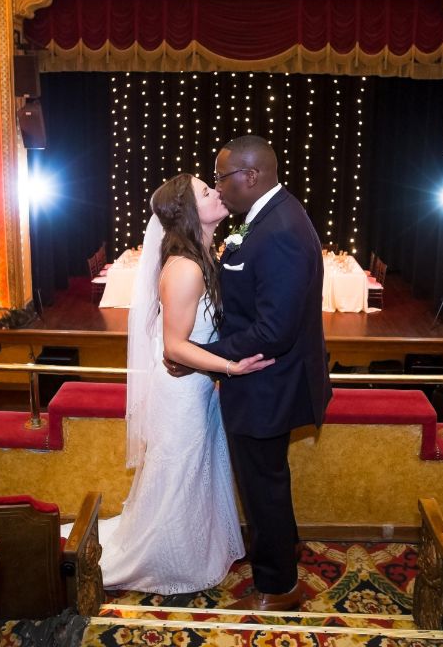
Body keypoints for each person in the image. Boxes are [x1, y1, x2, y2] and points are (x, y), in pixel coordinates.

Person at [85, 172, 274, 595]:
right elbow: (173, 346)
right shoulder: (186, 268)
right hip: (183, 388)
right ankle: (166, 558)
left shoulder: (204, 252)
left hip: (198, 383)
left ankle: (197, 548)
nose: (217, 191)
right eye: (207, 191)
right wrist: (231, 368)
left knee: (198, 465)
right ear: (191, 211)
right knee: (180, 471)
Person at [169, 135, 332, 612]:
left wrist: (204, 354)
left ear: (251, 176)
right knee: (268, 481)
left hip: (266, 383)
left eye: (223, 178)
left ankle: (279, 586)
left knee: (262, 487)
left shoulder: (278, 228)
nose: (219, 190)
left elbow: (274, 329)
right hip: (263, 380)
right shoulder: (268, 218)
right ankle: (284, 548)